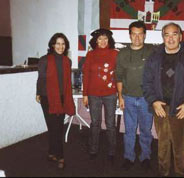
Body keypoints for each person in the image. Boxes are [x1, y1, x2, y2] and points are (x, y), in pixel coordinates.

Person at [142, 22, 184, 177]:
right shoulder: (154, 58)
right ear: (163, 37)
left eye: (174, 34)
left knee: (180, 146)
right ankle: (163, 172)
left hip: (181, 108)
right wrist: (153, 101)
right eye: (167, 35)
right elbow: (146, 82)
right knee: (162, 145)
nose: (171, 38)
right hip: (160, 107)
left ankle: (182, 174)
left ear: (180, 36)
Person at [115, 21, 154, 171]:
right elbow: (118, 77)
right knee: (129, 131)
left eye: (140, 34)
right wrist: (120, 97)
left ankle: (145, 156)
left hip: (146, 99)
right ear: (130, 35)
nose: (137, 37)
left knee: (145, 130)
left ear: (144, 35)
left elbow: (171, 49)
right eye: (134, 34)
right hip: (128, 98)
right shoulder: (122, 54)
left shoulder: (152, 51)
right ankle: (128, 157)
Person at [36, 33, 75, 169]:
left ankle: (53, 152)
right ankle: (60, 156)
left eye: (63, 44)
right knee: (53, 127)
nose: (60, 46)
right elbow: (41, 79)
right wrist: (38, 93)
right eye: (58, 43)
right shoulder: (44, 60)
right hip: (47, 98)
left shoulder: (67, 61)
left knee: (57, 128)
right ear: (53, 45)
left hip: (62, 98)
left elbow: (66, 81)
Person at [82, 28, 118, 163]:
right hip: (93, 94)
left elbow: (119, 75)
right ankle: (93, 149)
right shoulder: (90, 54)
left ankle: (112, 151)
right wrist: (85, 94)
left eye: (105, 39)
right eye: (100, 39)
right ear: (95, 41)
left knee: (110, 124)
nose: (103, 41)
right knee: (95, 123)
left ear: (109, 40)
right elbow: (86, 75)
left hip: (110, 94)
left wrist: (120, 95)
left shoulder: (115, 53)